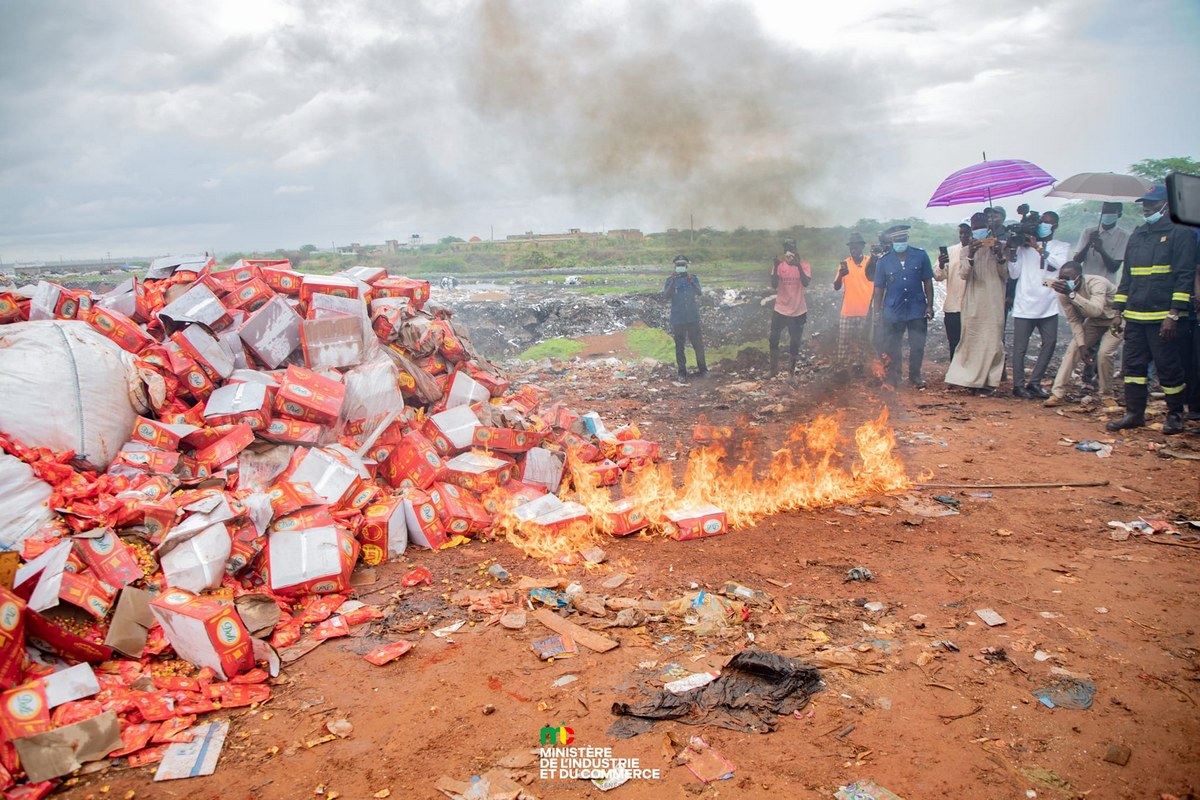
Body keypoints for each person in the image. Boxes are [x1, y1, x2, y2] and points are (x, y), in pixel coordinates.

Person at [1107, 186, 1197, 434]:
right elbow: (1127, 276)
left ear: (1167, 205)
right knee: (1133, 369)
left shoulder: (1181, 234)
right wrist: (1118, 310)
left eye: (1152, 203)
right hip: (1135, 316)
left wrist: (1174, 313)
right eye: (1144, 203)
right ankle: (1134, 413)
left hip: (1164, 318)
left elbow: (1184, 276)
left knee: (1169, 368)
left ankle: (1175, 415)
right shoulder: (1138, 234)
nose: (1146, 208)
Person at [945, 213, 1009, 394]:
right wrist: (971, 254)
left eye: (982, 226)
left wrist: (999, 256)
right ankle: (970, 380)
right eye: (975, 227)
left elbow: (1006, 275)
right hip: (973, 301)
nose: (979, 230)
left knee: (992, 341)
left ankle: (989, 382)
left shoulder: (1000, 247)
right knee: (971, 340)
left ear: (988, 228)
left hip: (994, 300)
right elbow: (964, 274)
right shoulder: (965, 250)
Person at [1008, 211, 1070, 398]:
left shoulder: (1061, 246)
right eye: (1041, 222)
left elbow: (1058, 265)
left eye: (1047, 222)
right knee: (1020, 347)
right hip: (1025, 301)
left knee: (1050, 343)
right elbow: (1014, 274)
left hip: (1048, 302)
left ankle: (1035, 382)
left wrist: (1038, 248)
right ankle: (1018, 385)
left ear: (1055, 226)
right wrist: (1012, 250)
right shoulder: (1023, 248)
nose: (1043, 225)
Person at [1043, 261, 1120, 406]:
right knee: (1073, 350)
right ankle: (1057, 393)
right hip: (1095, 321)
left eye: (1068, 278)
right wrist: (1082, 344)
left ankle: (1106, 394)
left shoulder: (1097, 283)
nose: (1064, 282)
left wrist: (1072, 294)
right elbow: (1074, 320)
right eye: (1061, 277)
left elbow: (1096, 309)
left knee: (1105, 354)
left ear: (1079, 277)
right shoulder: (1064, 294)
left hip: (1116, 319)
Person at [871, 225, 934, 389]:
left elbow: (927, 281)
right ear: (892, 242)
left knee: (917, 344)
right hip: (893, 311)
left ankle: (915, 376)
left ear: (907, 240)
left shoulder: (920, 256)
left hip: (916, 309)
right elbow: (878, 289)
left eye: (902, 240)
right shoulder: (884, 261)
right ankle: (894, 376)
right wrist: (876, 312)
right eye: (897, 241)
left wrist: (929, 305)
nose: (900, 243)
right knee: (893, 345)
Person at [768, 239, 811, 376]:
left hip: (798, 309)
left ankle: (791, 374)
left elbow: (806, 283)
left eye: (791, 248)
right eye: (787, 248)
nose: (789, 251)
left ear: (796, 249)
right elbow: (774, 285)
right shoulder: (780, 266)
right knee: (773, 338)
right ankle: (773, 370)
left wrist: (797, 266)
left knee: (795, 342)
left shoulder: (804, 265)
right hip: (781, 308)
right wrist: (775, 267)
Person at [833, 232, 874, 370]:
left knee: (862, 340)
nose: (853, 249)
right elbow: (837, 287)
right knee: (844, 341)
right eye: (851, 247)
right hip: (848, 310)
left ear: (862, 246)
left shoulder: (870, 262)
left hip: (865, 310)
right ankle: (842, 367)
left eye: (856, 246)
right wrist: (841, 275)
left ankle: (858, 366)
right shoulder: (845, 264)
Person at [664, 255, 707, 380]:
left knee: (698, 345)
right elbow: (666, 295)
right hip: (678, 318)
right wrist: (672, 282)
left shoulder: (693, 278)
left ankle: (703, 370)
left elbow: (699, 293)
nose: (680, 267)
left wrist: (692, 282)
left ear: (686, 266)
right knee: (679, 346)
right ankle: (682, 373)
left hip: (692, 317)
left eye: (682, 265)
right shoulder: (670, 280)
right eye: (678, 265)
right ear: (675, 267)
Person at [934, 223, 971, 361]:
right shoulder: (950, 251)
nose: (963, 236)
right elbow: (938, 277)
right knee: (954, 342)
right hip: (953, 307)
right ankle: (955, 373)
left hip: (973, 307)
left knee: (972, 343)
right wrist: (942, 264)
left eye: (967, 233)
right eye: (961, 233)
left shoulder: (980, 251)